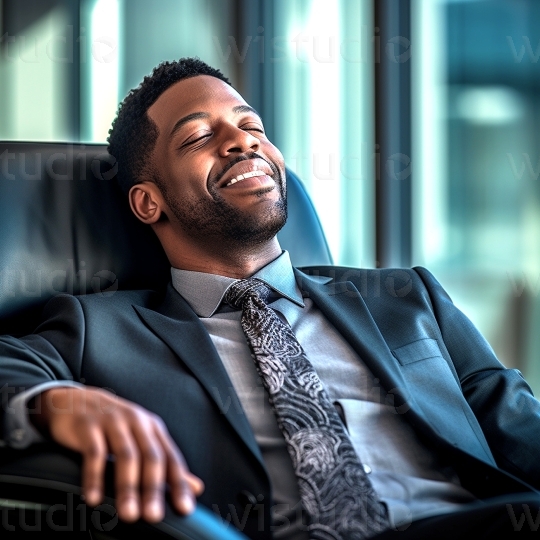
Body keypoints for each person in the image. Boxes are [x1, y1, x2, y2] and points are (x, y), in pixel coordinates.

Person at [1, 57, 540, 540]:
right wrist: (56, 401)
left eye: (251, 125)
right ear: (148, 202)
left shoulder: (406, 297)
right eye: (197, 138)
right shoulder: (100, 328)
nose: (241, 142)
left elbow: (518, 425)